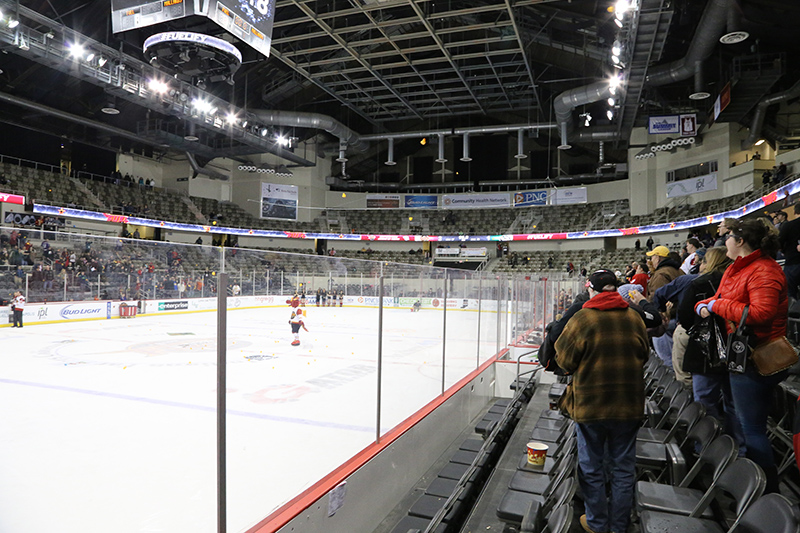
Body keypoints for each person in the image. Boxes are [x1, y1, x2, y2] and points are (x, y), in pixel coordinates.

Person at [696, 218, 788, 493]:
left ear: (741, 241)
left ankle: (765, 492)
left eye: (728, 237)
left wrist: (717, 305)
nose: (723, 241)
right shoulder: (738, 268)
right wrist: (707, 304)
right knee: (747, 424)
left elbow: (761, 313)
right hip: (741, 354)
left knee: (752, 428)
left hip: (756, 356)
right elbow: (718, 298)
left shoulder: (763, 270)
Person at [555, 270, 649, 533]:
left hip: (591, 405)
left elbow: (564, 360)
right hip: (628, 405)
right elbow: (644, 355)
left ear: (592, 291)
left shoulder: (583, 318)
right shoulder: (634, 317)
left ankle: (597, 522)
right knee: (623, 467)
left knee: (591, 465)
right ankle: (619, 526)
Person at [677, 247, 744, 450]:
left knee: (705, 403)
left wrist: (699, 330)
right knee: (734, 405)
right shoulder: (741, 281)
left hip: (705, 352)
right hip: (738, 349)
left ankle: (706, 448)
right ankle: (738, 449)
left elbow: (684, 316)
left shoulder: (698, 283)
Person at [779, 203, 800, 299]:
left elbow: (779, 243)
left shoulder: (788, 226)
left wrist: (783, 250)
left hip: (792, 262)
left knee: (791, 296)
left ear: (795, 212)